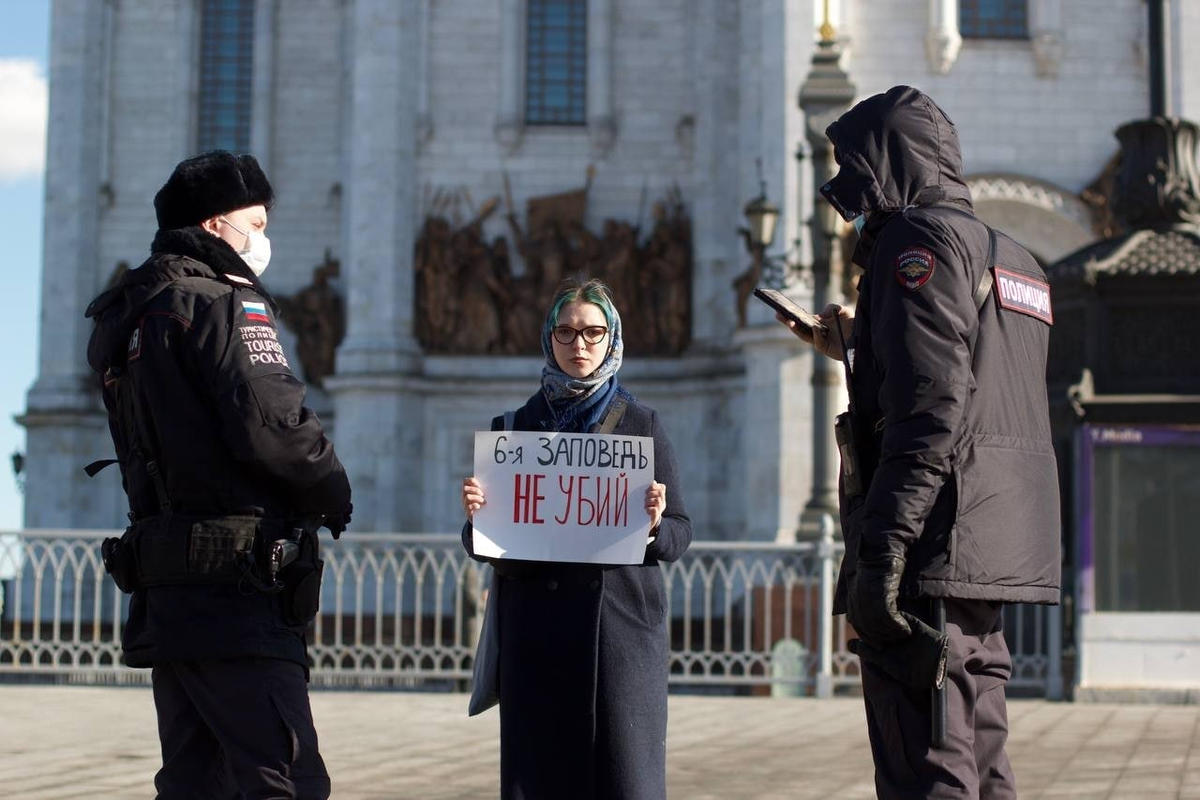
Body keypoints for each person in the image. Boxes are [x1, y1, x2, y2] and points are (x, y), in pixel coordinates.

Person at [780, 86, 1061, 798]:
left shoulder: (917, 242)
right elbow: (978, 380)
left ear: (887, 162)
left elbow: (931, 410)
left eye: (855, 168)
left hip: (931, 544)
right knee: (982, 764)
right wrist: (859, 343)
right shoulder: (1015, 257)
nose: (847, 191)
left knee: (927, 770)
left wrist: (884, 551)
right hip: (992, 545)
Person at [85, 151, 352, 798]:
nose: (262, 239)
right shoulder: (223, 304)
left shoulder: (132, 314)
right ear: (214, 225)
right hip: (237, 587)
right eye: (254, 224)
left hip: (167, 586)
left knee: (195, 780)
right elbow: (273, 422)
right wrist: (332, 489)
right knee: (283, 778)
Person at [460, 278, 692, 800]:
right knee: (543, 780)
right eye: (565, 332)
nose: (579, 344)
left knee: (622, 781)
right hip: (537, 639)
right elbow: (491, 549)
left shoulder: (642, 425)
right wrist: (477, 520)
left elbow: (680, 534)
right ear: (549, 338)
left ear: (612, 338)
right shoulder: (513, 429)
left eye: (592, 332)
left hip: (619, 641)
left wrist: (655, 524)